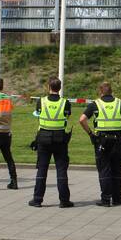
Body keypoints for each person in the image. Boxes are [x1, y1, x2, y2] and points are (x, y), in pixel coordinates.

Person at [79, 82, 121, 207]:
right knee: (116, 169)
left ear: (100, 92)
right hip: (117, 140)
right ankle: (117, 198)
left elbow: (82, 119)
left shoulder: (95, 104)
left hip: (101, 141)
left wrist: (90, 134)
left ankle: (105, 199)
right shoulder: (120, 103)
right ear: (112, 91)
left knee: (104, 169)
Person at [29, 77, 73, 208]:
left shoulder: (41, 102)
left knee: (42, 169)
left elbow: (37, 115)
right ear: (59, 88)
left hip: (43, 138)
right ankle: (64, 200)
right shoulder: (66, 103)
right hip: (60, 139)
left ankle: (37, 200)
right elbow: (67, 116)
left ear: (49, 87)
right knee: (61, 170)